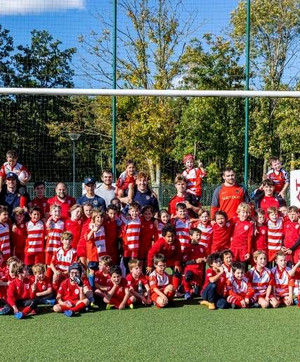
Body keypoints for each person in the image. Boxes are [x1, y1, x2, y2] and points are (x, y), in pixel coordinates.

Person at [182, 228, 207, 300]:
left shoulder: (202, 247)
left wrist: (205, 260)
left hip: (199, 273)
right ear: (191, 236)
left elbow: (205, 262)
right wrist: (195, 261)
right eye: (197, 235)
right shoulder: (187, 248)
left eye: (200, 235)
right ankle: (186, 291)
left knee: (196, 293)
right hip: (191, 271)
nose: (199, 237)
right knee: (188, 275)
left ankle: (188, 290)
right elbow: (185, 262)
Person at [85, 209, 107, 288]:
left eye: (101, 217)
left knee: (101, 270)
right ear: (94, 218)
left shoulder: (103, 227)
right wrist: (92, 231)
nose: (100, 219)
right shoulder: (91, 227)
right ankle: (92, 287)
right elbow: (87, 238)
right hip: (93, 255)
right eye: (97, 217)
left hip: (102, 253)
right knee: (92, 271)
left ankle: (99, 287)